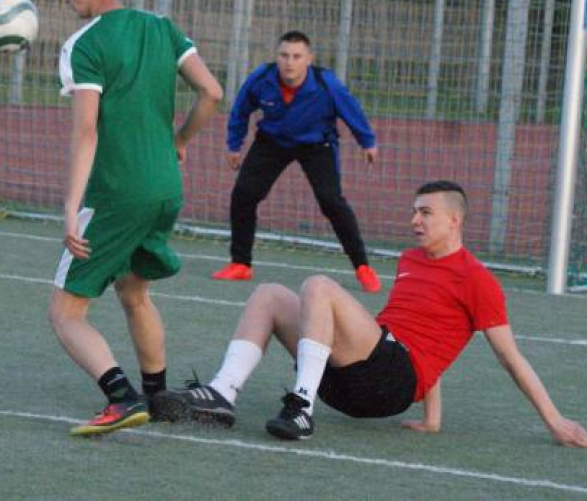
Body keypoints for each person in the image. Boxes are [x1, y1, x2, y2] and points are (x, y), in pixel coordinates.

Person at [153, 181, 587, 448]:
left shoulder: (477, 279)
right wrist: (433, 418)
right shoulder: (411, 259)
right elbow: (416, 330)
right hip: (358, 374)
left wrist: (555, 420)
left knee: (319, 286)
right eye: (414, 211)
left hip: (391, 381)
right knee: (267, 293)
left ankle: (300, 408)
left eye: (426, 212)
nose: (414, 219)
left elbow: (509, 357)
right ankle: (222, 395)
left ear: (455, 221)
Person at [49, 0, 223, 437]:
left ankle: (121, 398)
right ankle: (159, 395)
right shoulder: (162, 27)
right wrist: (181, 141)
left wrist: (69, 208)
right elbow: (211, 92)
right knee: (133, 289)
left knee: (65, 313)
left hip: (117, 190)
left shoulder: (85, 44)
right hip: (166, 185)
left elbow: (86, 132)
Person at [213, 30, 381, 292]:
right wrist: (234, 145)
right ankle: (240, 264)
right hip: (272, 141)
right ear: (276, 57)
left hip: (316, 143)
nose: (290, 62)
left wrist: (367, 141)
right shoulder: (261, 78)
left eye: (296, 56)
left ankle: (362, 267)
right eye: (284, 55)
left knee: (331, 201)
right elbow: (241, 110)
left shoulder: (326, 83)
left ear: (308, 59)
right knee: (244, 194)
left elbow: (351, 109)